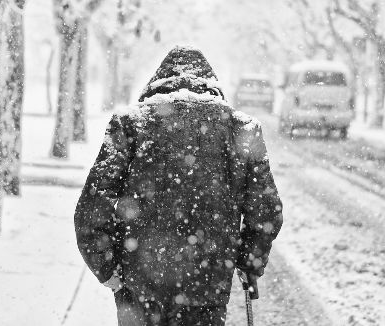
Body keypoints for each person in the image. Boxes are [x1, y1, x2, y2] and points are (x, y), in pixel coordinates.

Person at [74, 46, 283, 326]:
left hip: (140, 286)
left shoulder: (132, 124)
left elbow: (92, 204)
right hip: (207, 286)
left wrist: (106, 266)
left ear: (156, 83)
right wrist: (249, 262)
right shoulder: (241, 129)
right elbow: (266, 210)